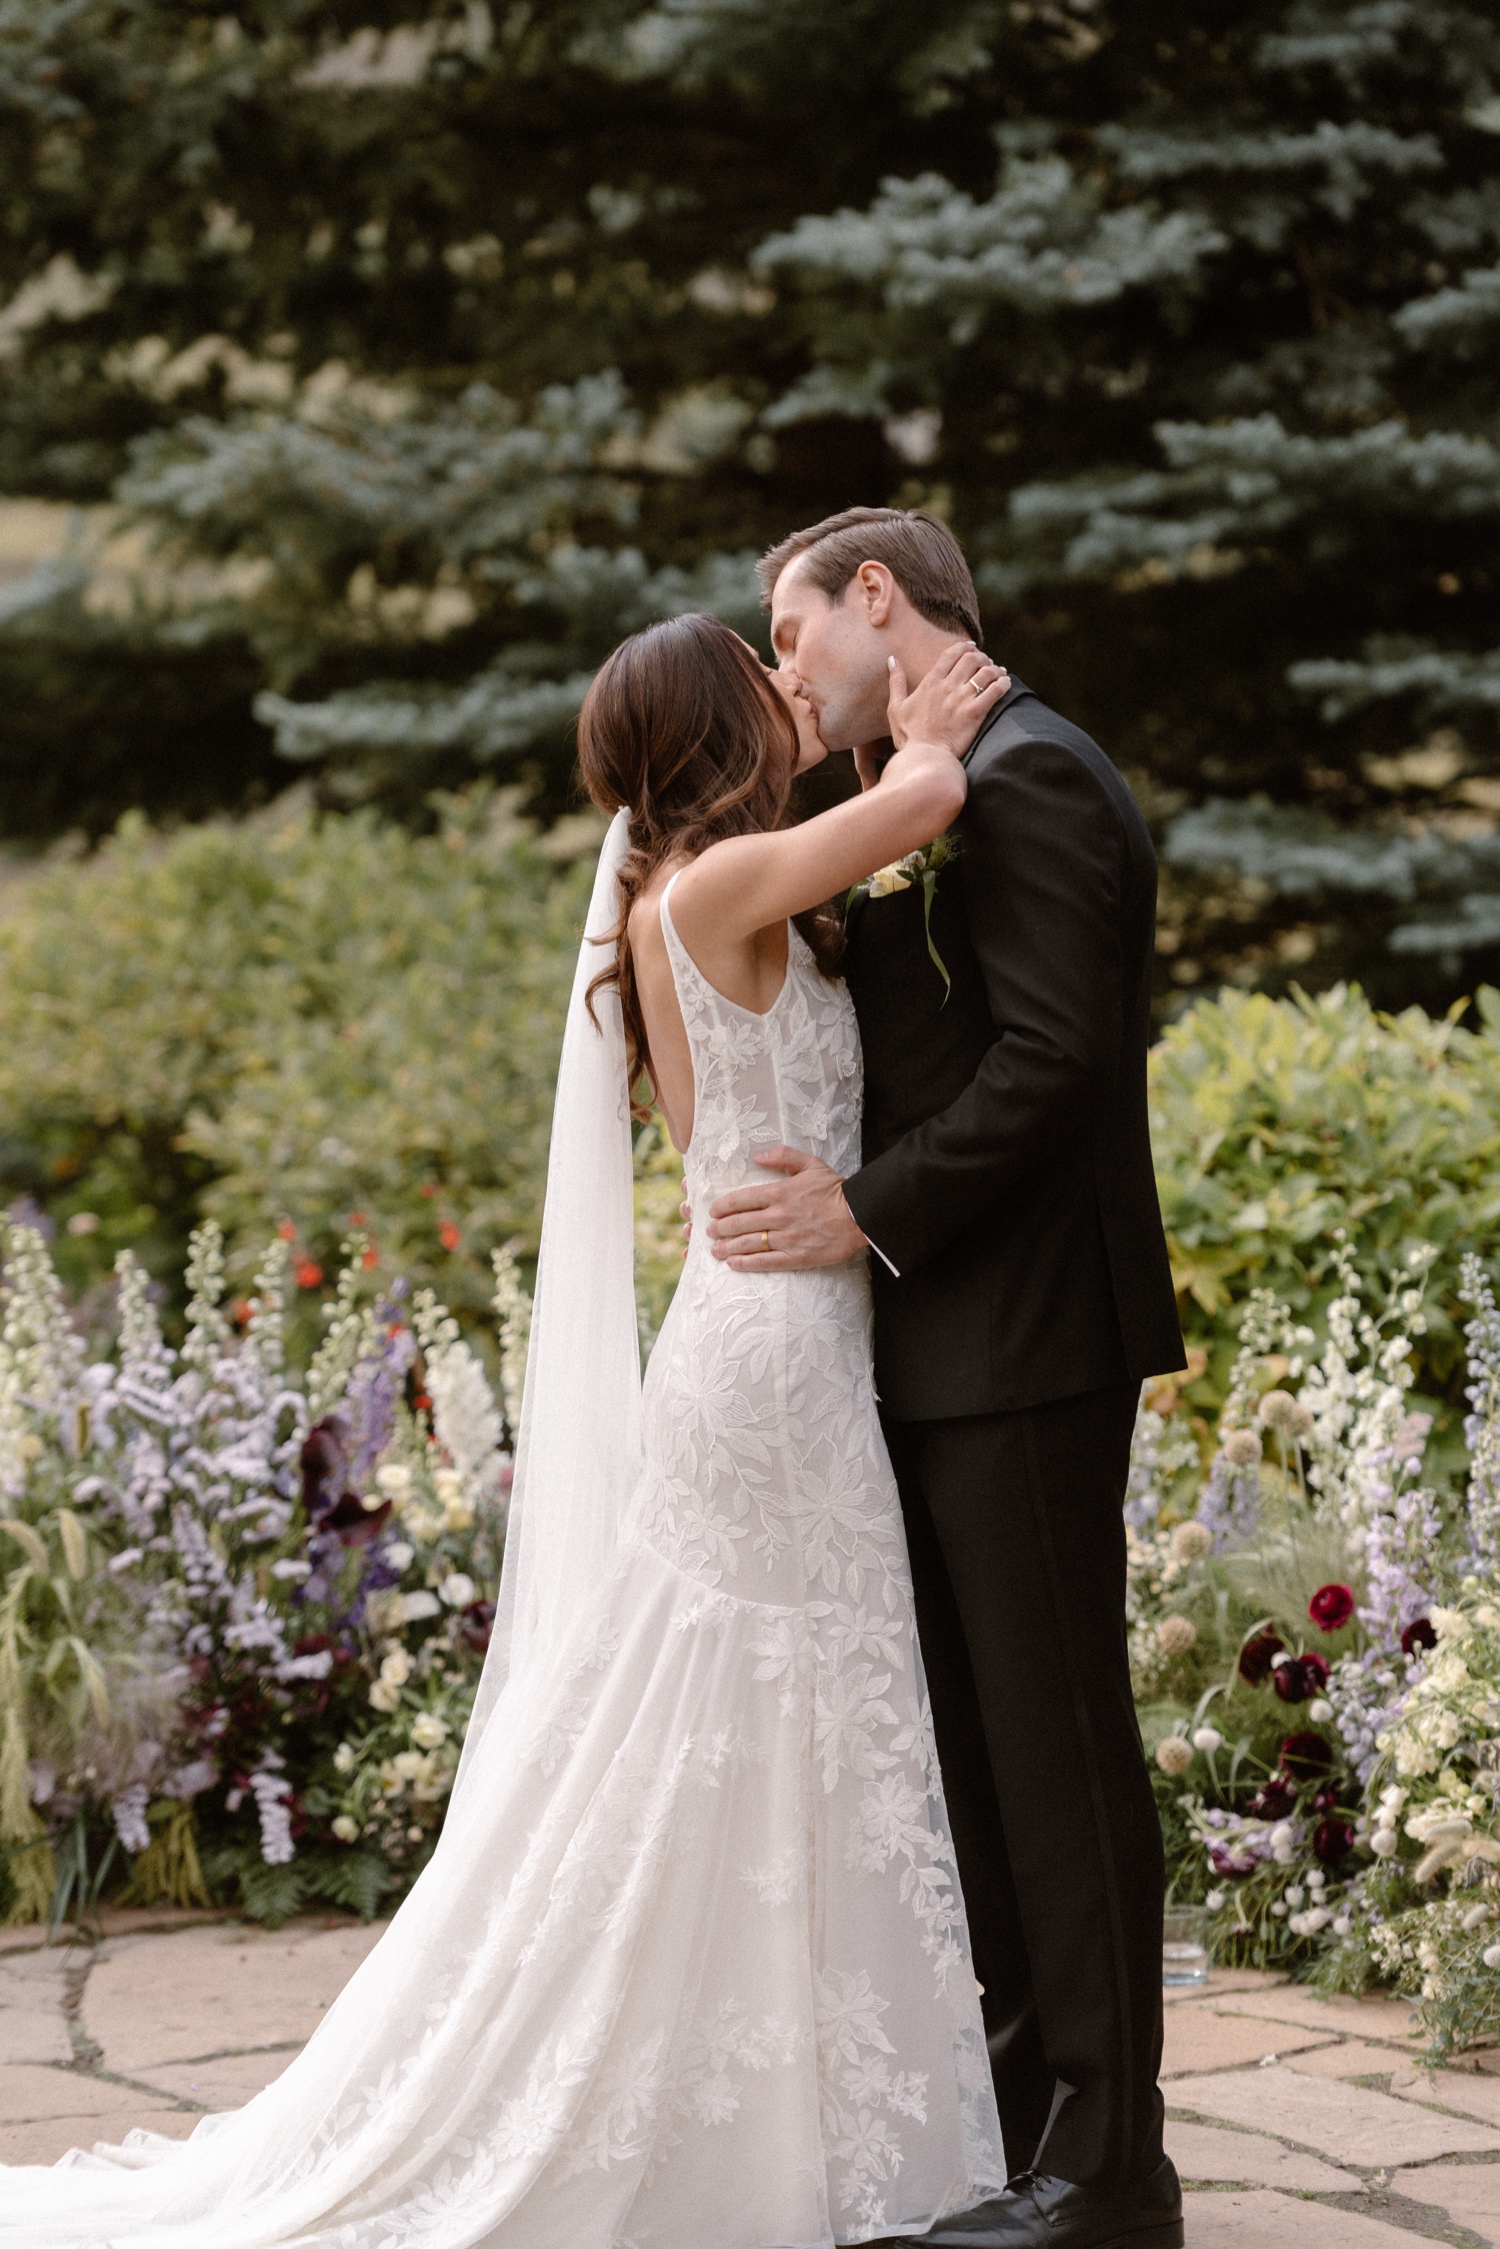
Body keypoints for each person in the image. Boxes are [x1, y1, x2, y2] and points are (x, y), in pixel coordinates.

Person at [0, 611, 1016, 2249]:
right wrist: (930, 717)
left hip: (783, 1338)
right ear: (715, 732)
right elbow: (918, 808)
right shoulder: (708, 891)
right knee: (771, 1696)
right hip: (770, 1361)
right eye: (764, 684)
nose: (790, 692)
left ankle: (798, 2102)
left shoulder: (709, 889)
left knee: (785, 1705)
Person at [705, 508, 1188, 2249]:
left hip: (1034, 1334)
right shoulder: (932, 776)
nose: (782, 665)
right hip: (941, 1334)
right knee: (984, 1753)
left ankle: (1111, 2172)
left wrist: (861, 1211)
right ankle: (1023, 2108)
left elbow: (1059, 1057)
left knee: (1060, 1747)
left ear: (880, 601)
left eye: (793, 624)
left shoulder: (1037, 771)